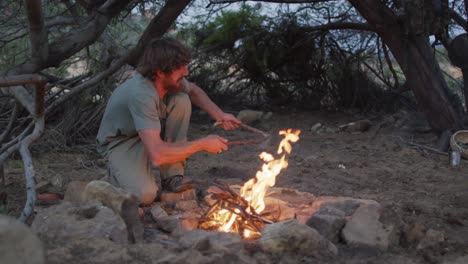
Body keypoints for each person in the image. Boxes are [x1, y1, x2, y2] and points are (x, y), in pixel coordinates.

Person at [96, 37, 240, 205]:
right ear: (159, 72)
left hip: (146, 134)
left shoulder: (169, 80)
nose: (186, 72)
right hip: (121, 141)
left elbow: (193, 90)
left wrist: (220, 115)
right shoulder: (142, 94)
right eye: (180, 68)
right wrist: (202, 144)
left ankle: (172, 176)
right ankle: (113, 176)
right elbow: (157, 156)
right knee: (144, 195)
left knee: (181, 99)